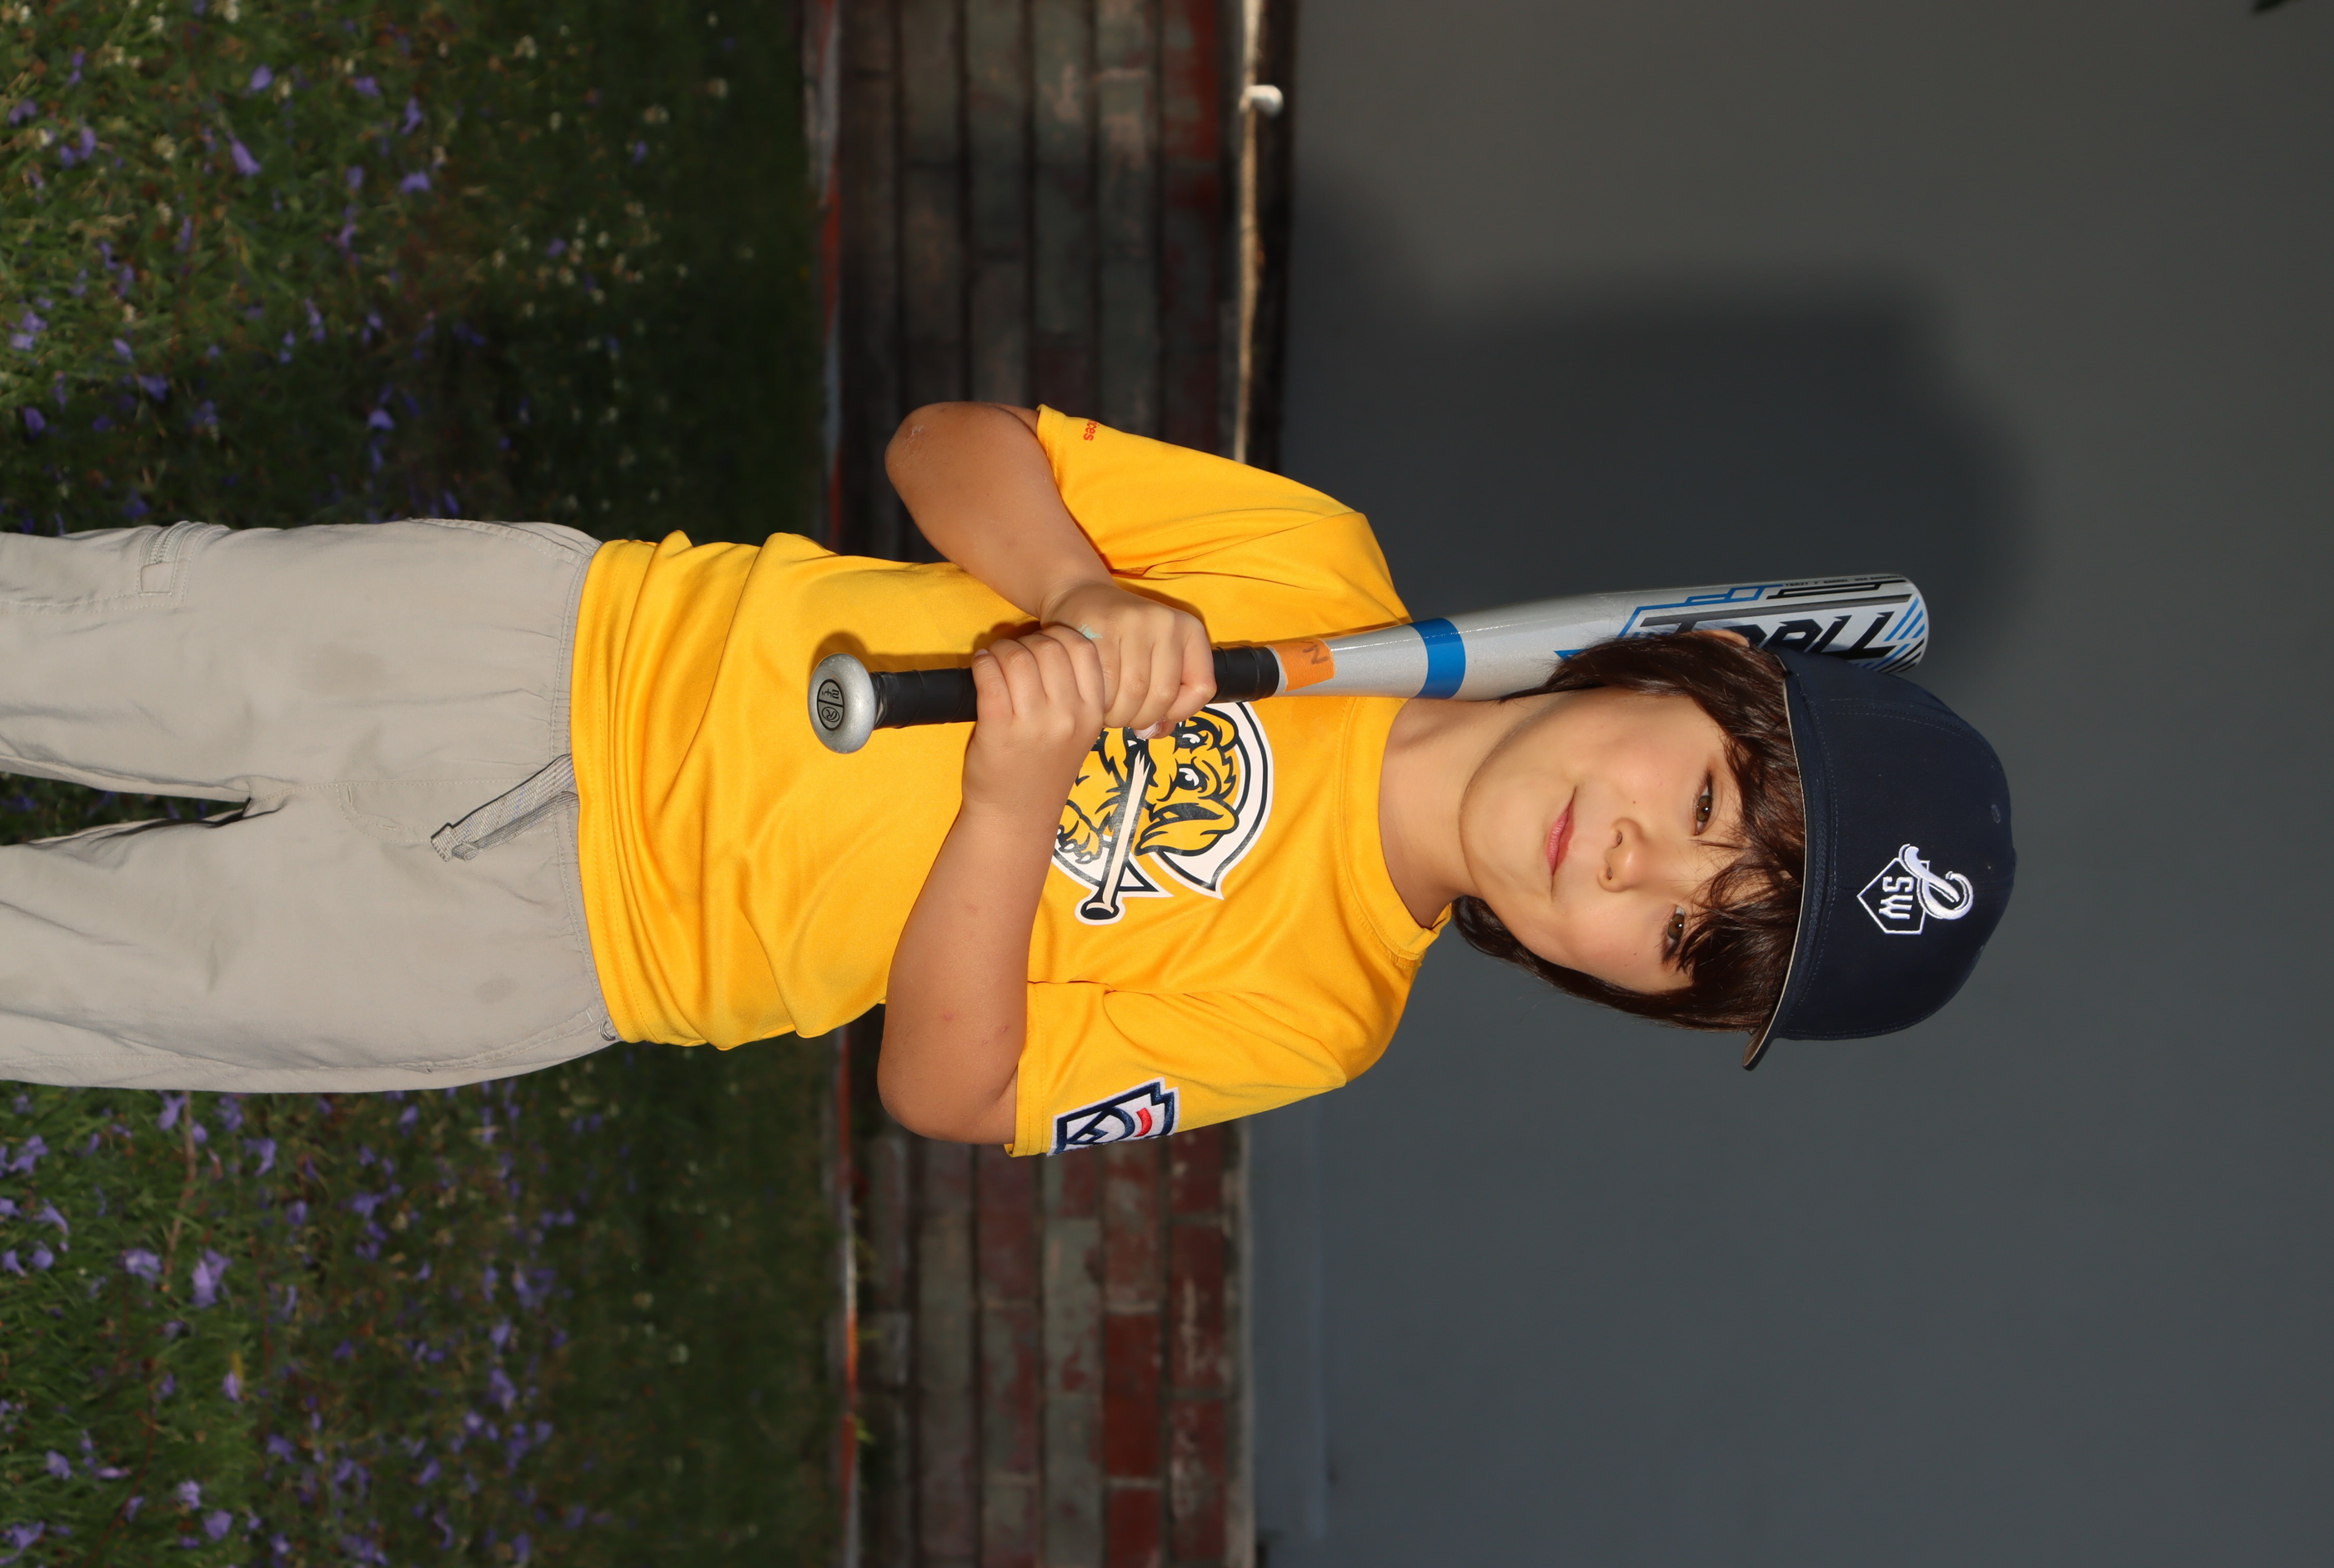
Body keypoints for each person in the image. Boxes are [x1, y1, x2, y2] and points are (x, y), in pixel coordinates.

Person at [0, 404, 2014, 1151]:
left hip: (567, 944)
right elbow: (943, 447)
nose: (1635, 860)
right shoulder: (1309, 566)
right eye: (1709, 800)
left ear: (1611, 984)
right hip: (553, 646)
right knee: (59, 636)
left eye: (1682, 934)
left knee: (51, 974)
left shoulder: (1314, 1014)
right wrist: (1077, 584)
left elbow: (952, 1091)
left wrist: (1009, 802)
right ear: (1693, 664)